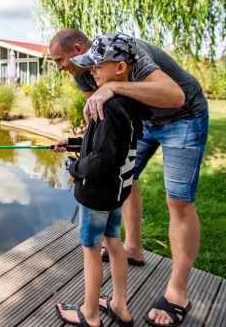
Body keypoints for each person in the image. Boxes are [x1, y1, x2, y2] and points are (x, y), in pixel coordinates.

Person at [50, 28, 208, 327]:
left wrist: (116, 89)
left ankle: (178, 291)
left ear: (77, 48)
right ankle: (132, 247)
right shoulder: (84, 71)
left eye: (60, 59)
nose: (60, 67)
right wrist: (76, 142)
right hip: (141, 121)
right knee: (127, 177)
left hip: (183, 116)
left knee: (178, 201)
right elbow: (101, 122)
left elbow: (175, 96)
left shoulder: (129, 53)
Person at [54, 33, 149, 327]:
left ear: (119, 68)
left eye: (97, 66)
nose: (91, 72)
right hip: (117, 192)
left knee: (91, 251)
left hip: (96, 195)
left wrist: (74, 168)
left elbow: (100, 160)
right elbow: (108, 145)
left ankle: (90, 313)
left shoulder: (106, 107)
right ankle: (120, 305)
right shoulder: (128, 104)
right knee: (115, 243)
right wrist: (72, 141)